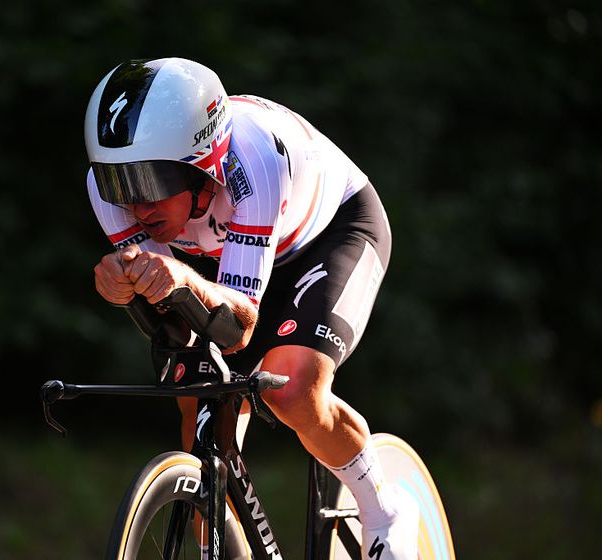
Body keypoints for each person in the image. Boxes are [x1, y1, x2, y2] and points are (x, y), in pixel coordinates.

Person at [85, 57, 418, 559]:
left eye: (151, 182)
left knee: (293, 388)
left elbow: (238, 329)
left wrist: (175, 279)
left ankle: (384, 507)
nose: (135, 206)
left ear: (204, 166)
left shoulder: (253, 163)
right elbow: (175, 319)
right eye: (119, 184)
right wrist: (126, 284)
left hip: (330, 235)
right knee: (197, 406)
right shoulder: (107, 193)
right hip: (227, 263)